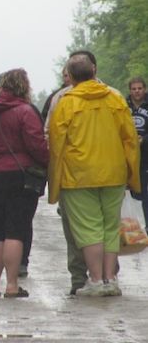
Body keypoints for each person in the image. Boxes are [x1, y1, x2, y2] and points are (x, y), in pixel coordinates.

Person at [48, 54, 140, 297]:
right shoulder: (116, 97)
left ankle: (96, 280)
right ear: (94, 71)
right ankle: (111, 280)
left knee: (89, 229)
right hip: (114, 172)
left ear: (71, 76)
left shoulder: (66, 102)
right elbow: (130, 139)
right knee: (111, 227)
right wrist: (132, 174)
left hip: (78, 176)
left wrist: (54, 181)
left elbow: (57, 144)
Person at [0, 68, 49, 298]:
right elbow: (36, 145)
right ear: (24, 87)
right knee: (15, 231)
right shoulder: (26, 112)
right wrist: (47, 161)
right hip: (20, 176)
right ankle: (12, 286)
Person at [127, 76, 148, 228]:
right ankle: (128, 226)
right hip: (128, 152)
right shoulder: (123, 105)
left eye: (139, 88)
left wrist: (144, 139)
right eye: (134, 89)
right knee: (129, 190)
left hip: (146, 152)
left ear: (145, 89)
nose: (137, 92)